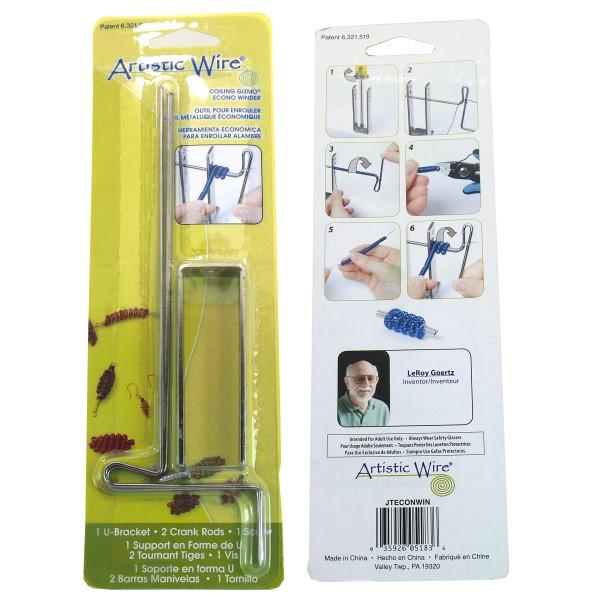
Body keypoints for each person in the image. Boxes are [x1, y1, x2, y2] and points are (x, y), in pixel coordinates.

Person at [338, 360, 389, 427]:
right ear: (347, 382)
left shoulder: (382, 408)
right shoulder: (334, 410)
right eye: (359, 378)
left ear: (376, 381)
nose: (366, 383)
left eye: (370, 378)